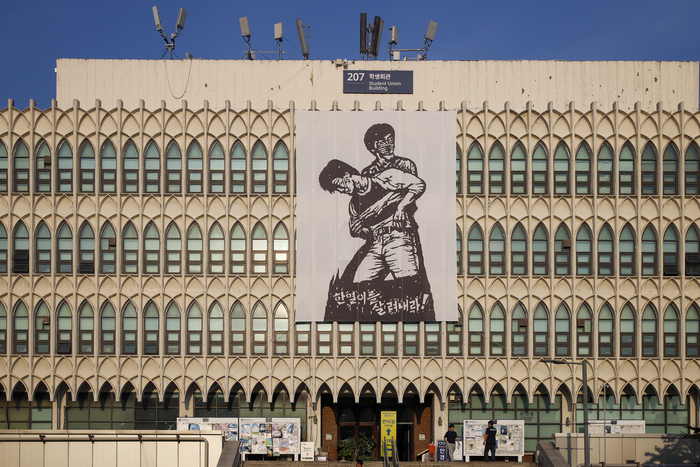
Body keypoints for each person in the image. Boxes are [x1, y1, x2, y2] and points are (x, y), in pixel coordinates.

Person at [319, 158, 435, 321]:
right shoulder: (353, 205)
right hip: (375, 243)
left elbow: (418, 185)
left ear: (347, 175)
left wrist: (401, 207)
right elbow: (366, 232)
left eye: (340, 184)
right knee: (359, 285)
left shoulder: (386, 177)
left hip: (398, 236)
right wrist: (359, 231)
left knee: (410, 285)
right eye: (337, 189)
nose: (342, 190)